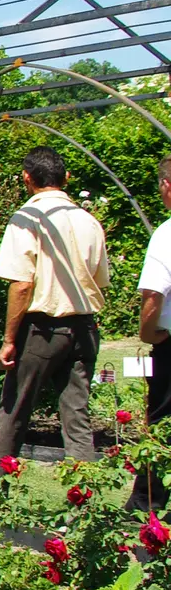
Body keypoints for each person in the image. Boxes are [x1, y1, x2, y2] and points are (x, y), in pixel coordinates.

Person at [0, 147, 109, 498]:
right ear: (65, 178)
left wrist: (9, 339)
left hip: (42, 329)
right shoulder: (89, 221)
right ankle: (87, 505)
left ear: (27, 178)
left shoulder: (27, 218)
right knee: (77, 419)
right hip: (84, 327)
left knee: (12, 414)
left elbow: (22, 283)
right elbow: (99, 279)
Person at [128, 155, 171, 512]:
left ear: (167, 186)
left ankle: (148, 499)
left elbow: (153, 294)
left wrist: (148, 333)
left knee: (161, 420)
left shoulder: (166, 233)